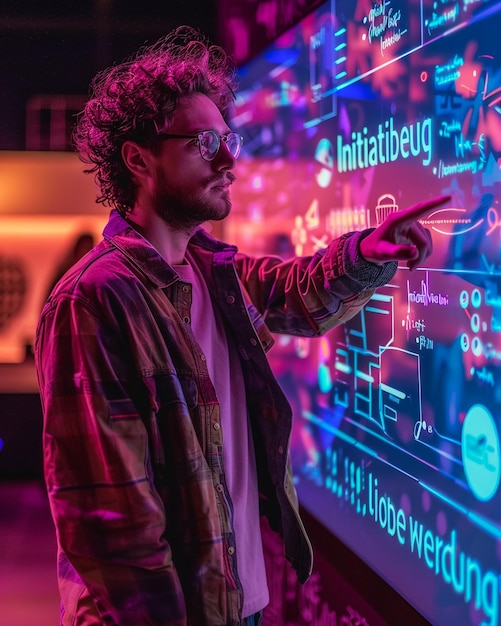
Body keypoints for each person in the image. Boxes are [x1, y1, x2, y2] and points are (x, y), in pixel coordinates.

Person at [35, 25, 449, 626]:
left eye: (228, 138)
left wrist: (371, 251)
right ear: (137, 158)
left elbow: (298, 294)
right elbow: (113, 530)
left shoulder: (211, 271)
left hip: (235, 606)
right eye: (204, 143)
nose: (230, 159)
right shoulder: (94, 301)